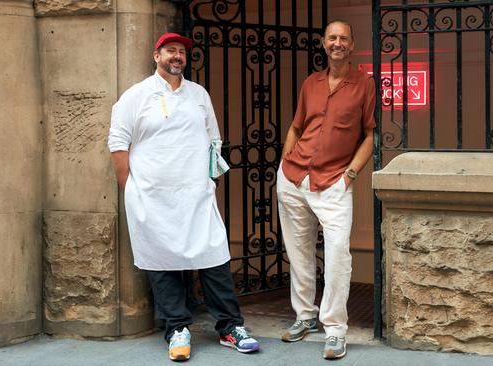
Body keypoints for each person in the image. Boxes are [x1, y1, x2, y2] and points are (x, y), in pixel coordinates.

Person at [108, 32, 260, 362]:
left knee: (213, 256)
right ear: (156, 55)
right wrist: (131, 191)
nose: (177, 56)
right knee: (162, 262)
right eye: (170, 51)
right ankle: (177, 328)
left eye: (181, 52)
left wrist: (209, 182)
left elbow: (213, 140)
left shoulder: (198, 95)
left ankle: (231, 327)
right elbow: (118, 145)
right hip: (152, 197)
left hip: (195, 195)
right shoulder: (135, 97)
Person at [277, 20, 375, 360]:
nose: (337, 43)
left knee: (337, 256)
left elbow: (369, 136)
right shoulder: (311, 83)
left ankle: (334, 328)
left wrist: (349, 175)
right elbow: (296, 126)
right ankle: (305, 317)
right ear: (323, 43)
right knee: (299, 252)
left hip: (333, 181)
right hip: (293, 178)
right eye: (332, 38)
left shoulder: (364, 85)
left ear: (352, 45)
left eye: (344, 38)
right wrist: (285, 160)